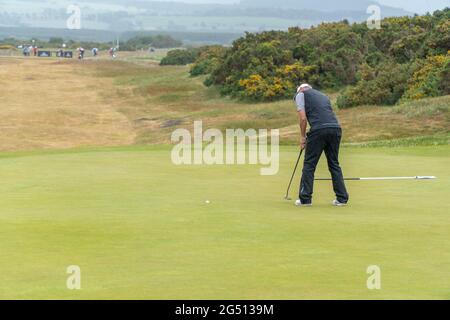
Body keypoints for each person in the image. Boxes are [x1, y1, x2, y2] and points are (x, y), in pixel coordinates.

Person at [294, 83, 349, 207]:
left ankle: (305, 199)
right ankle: (342, 198)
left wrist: (303, 137)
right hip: (335, 129)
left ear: (301, 89)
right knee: (334, 164)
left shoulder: (300, 94)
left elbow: (303, 118)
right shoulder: (323, 95)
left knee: (309, 164)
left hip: (319, 130)